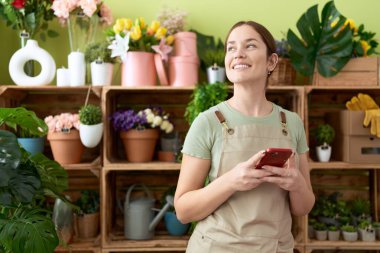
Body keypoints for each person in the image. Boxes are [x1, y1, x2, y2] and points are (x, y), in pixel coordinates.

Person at [174, 20, 315, 252]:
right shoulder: (208, 122)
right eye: (231, 48)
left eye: (249, 46)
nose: (238, 54)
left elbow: (303, 207)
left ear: (272, 61)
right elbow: (183, 211)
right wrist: (232, 181)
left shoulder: (291, 123)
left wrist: (296, 183)